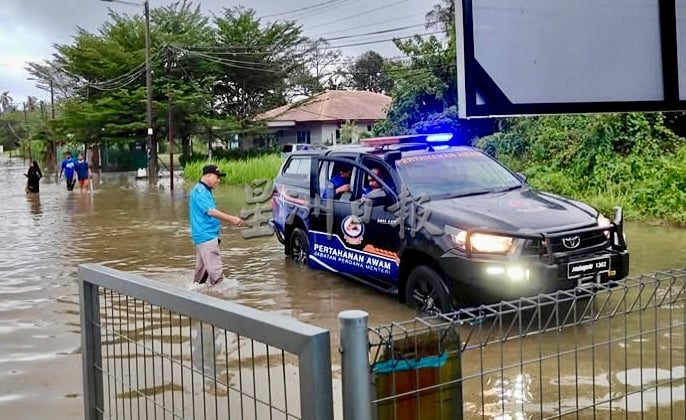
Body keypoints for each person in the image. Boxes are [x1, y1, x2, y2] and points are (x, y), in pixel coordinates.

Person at [189, 164, 245, 285]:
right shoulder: (200, 191)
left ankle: (193, 297)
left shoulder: (204, 190)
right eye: (217, 177)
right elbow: (210, 211)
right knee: (218, 278)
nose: (218, 181)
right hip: (207, 238)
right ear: (208, 176)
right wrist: (232, 219)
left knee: (200, 278)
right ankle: (221, 301)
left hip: (204, 237)